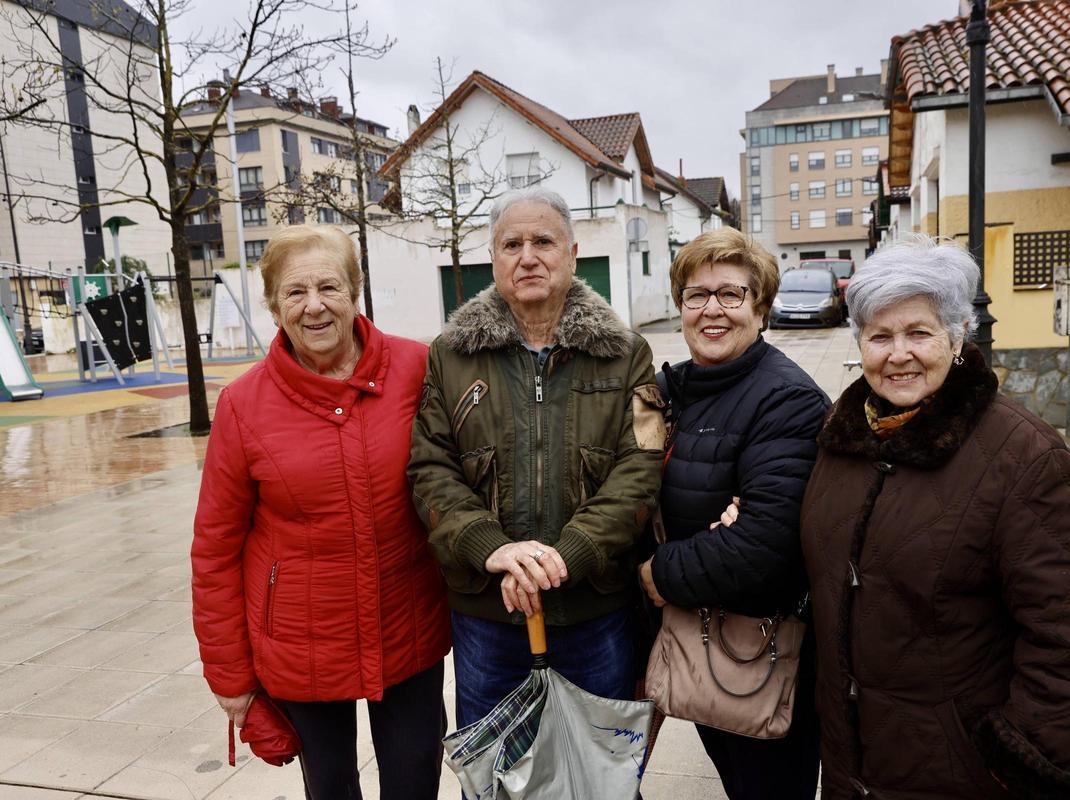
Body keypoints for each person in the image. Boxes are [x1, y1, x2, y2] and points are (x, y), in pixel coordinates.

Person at [800, 234, 1070, 799]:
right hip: (853, 764)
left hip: (962, 774)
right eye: (880, 336)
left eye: (918, 332)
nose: (898, 353)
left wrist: (1020, 764)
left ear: (956, 338)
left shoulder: (1018, 454)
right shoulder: (844, 438)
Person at [191, 225, 450, 800]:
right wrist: (229, 676)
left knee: (415, 784)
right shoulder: (243, 405)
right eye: (294, 292)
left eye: (329, 286)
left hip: (407, 627)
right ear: (273, 305)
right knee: (330, 790)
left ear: (356, 290)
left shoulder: (419, 368)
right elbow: (215, 548)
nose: (314, 306)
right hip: (303, 643)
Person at [408, 186, 665, 728]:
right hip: (489, 615)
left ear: (571, 254)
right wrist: (493, 549)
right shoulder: (450, 355)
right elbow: (431, 470)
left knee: (599, 772)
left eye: (543, 241)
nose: (528, 256)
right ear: (493, 258)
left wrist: (570, 553)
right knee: (495, 771)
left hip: (594, 610)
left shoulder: (624, 352)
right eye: (511, 244)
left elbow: (639, 469)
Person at [637, 227, 827, 799]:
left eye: (731, 294)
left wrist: (654, 573)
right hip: (701, 641)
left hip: (759, 650)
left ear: (761, 308)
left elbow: (761, 546)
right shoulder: (671, 391)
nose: (711, 310)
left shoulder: (786, 399)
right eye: (697, 295)